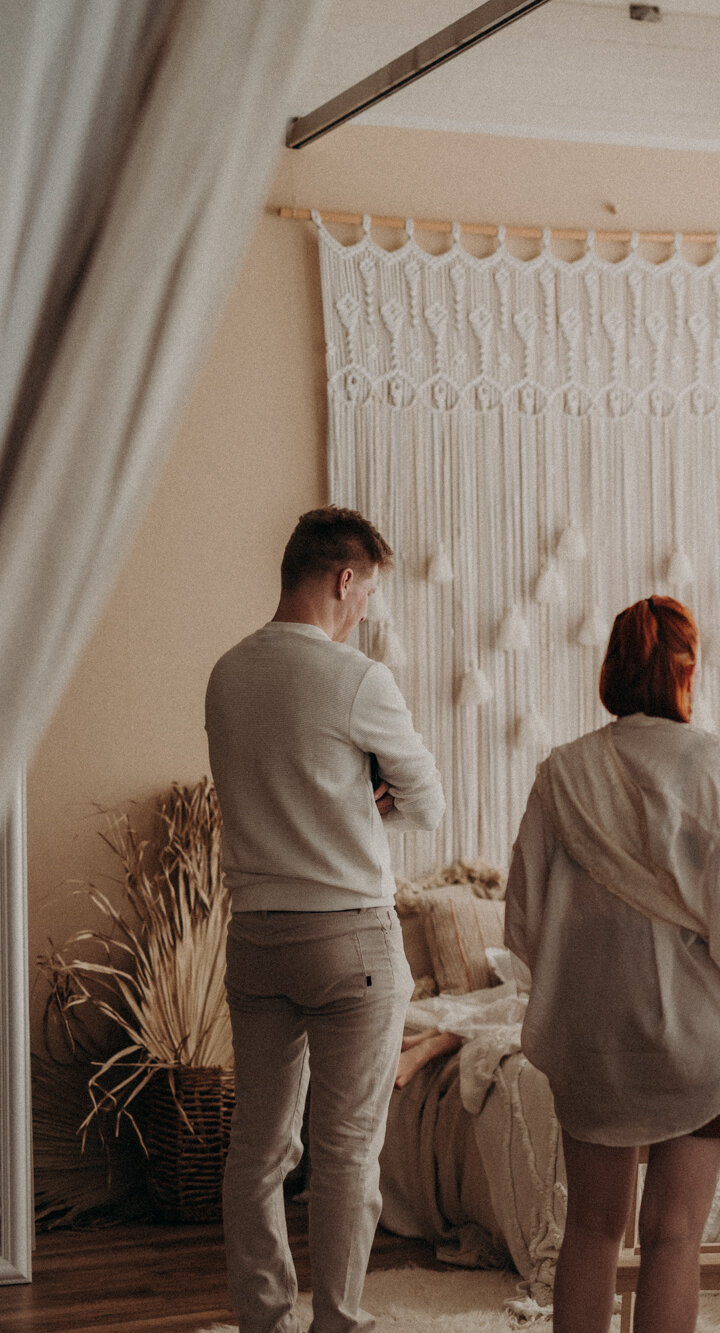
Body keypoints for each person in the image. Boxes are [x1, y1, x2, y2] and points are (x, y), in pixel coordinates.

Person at [505, 595, 720, 1333]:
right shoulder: (714, 764)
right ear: (687, 671)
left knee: (590, 1228)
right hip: (698, 1040)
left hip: (593, 1036)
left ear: (611, 668)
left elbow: (524, 921)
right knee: (674, 1235)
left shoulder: (562, 772)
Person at [209, 506, 445, 1333]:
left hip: (256, 937)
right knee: (345, 1148)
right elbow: (428, 802)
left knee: (258, 1148)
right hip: (350, 939)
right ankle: (339, 1319)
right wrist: (374, 801)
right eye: (369, 592)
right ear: (345, 580)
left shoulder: (227, 674)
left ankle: (263, 1320)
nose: (367, 610)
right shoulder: (357, 678)